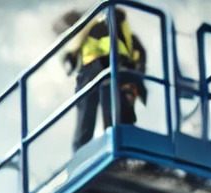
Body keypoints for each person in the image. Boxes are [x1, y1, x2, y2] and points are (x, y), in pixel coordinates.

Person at [57, 7, 147, 151]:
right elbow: (139, 55)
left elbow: (71, 55)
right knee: (114, 115)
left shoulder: (89, 26)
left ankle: (84, 155)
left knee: (93, 118)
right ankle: (119, 148)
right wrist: (137, 78)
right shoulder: (122, 31)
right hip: (114, 70)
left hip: (99, 70)